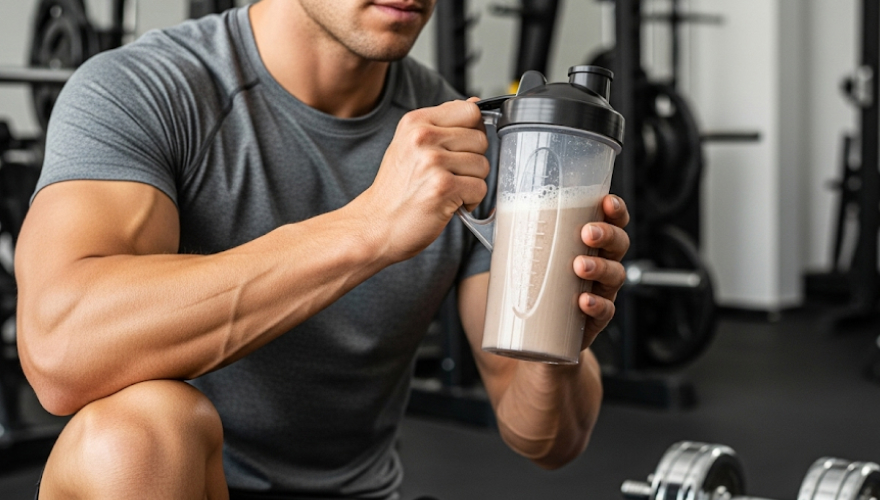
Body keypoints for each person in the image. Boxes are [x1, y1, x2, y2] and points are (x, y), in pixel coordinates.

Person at [16, 0, 630, 498]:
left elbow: (546, 440)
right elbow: (61, 351)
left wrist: (559, 334)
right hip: (178, 485)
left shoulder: (468, 143)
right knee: (136, 434)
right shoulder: (147, 91)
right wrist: (367, 230)